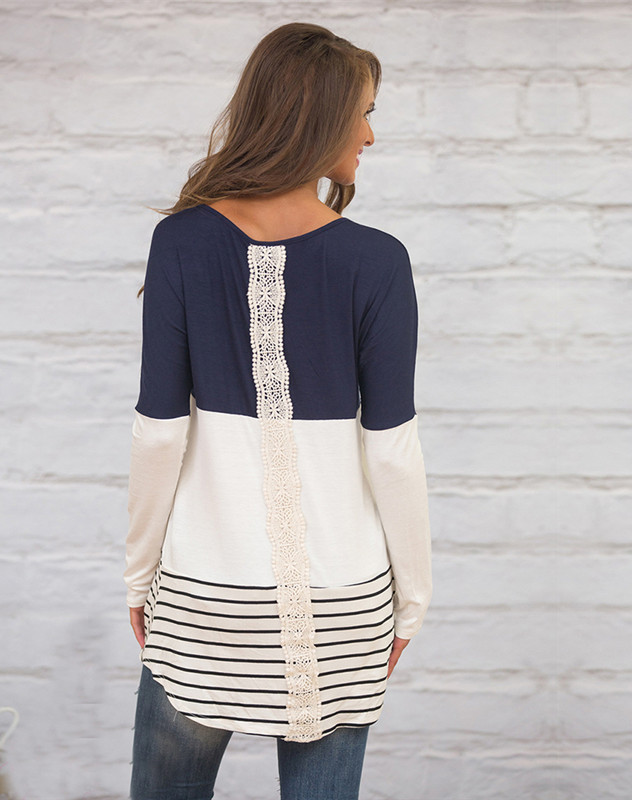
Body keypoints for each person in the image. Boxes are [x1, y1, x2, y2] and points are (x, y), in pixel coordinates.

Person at [123, 21, 432, 800]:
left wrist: (139, 578)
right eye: (363, 113)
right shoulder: (377, 261)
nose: (369, 135)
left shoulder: (181, 243)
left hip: (205, 599)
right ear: (319, 117)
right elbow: (392, 451)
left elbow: (159, 434)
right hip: (344, 605)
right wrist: (412, 601)